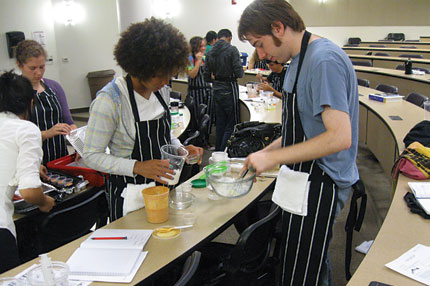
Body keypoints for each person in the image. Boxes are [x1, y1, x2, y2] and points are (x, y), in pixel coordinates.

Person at [238, 0, 359, 285]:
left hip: (322, 180)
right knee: (309, 259)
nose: (261, 54)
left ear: (278, 27)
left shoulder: (323, 60)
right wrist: (266, 151)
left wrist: (274, 159)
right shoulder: (297, 60)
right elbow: (302, 129)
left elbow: (339, 137)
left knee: (304, 270)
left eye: (260, 43)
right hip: (303, 177)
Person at [83, 18, 203, 222]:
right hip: (131, 194)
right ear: (141, 68)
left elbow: (165, 135)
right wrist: (137, 166)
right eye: (160, 76)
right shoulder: (110, 100)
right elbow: (91, 155)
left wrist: (180, 148)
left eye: (169, 75)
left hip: (164, 186)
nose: (166, 82)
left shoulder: (161, 91)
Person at [0, 71, 55, 273]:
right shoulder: (26, 129)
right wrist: (44, 202)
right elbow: (29, 193)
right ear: (30, 103)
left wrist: (26, 168)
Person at [16, 40, 77, 165]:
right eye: (32, 68)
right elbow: (17, 135)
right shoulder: (14, 93)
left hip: (60, 156)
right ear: (19, 65)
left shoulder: (54, 87)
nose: (38, 72)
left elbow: (69, 121)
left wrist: (77, 143)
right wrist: (48, 133)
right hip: (32, 160)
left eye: (42, 67)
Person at [204, 29, 244, 151]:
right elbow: (239, 73)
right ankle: (223, 152)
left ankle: (217, 151)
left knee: (220, 123)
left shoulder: (210, 52)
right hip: (229, 88)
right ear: (229, 37)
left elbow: (206, 76)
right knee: (231, 123)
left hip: (216, 88)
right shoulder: (232, 50)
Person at [187, 36, 214, 148]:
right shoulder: (189, 59)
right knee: (197, 119)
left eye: (204, 45)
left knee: (208, 117)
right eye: (201, 46)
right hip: (196, 92)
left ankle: (206, 141)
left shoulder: (205, 58)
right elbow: (192, 74)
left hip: (207, 91)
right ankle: (197, 142)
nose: (204, 48)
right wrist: (198, 61)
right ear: (195, 47)